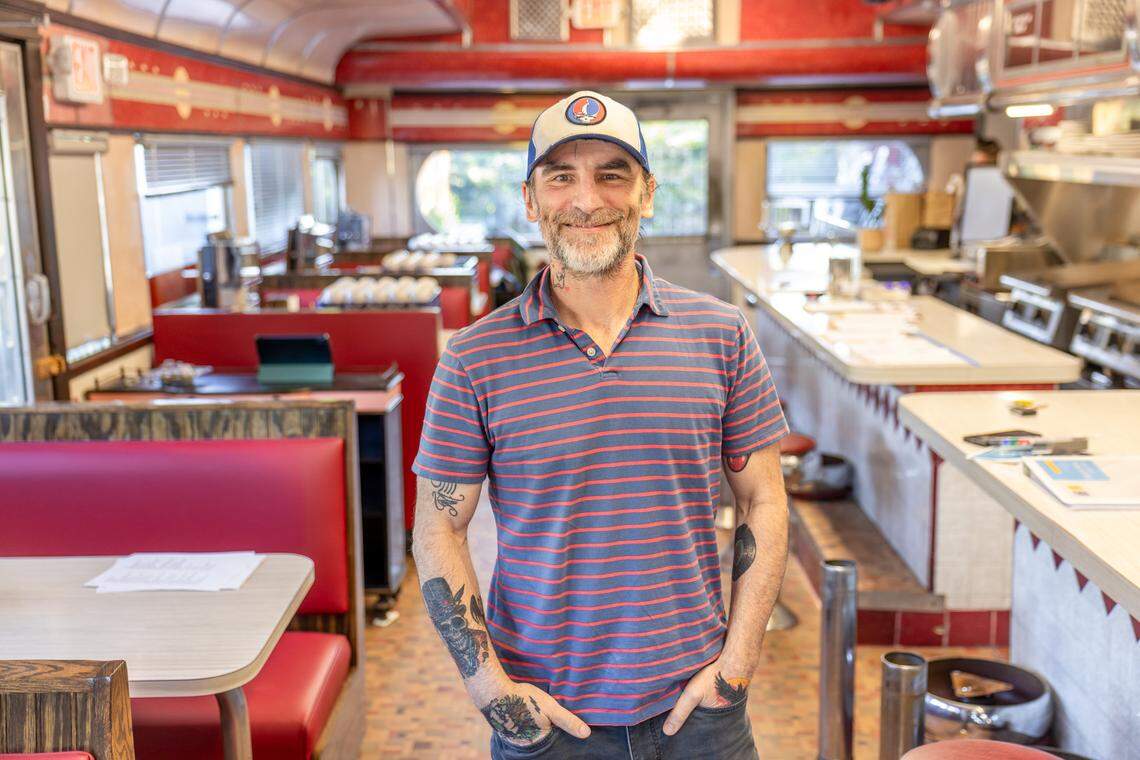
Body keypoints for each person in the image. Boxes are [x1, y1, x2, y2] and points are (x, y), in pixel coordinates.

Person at [411, 90, 789, 759]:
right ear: (531, 200)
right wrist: (492, 692)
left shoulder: (722, 335)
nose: (587, 200)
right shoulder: (474, 360)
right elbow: (439, 527)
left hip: (701, 712)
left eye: (613, 174)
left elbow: (763, 498)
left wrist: (736, 666)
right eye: (562, 177)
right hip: (548, 720)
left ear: (648, 193)